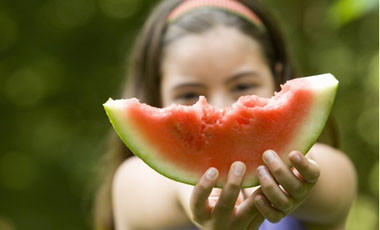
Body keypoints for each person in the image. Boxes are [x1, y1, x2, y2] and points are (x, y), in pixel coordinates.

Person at [94, 0, 357, 229]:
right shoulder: (132, 183)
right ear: (156, 95)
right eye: (188, 94)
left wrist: (291, 173)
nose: (220, 109)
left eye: (243, 86)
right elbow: (155, 189)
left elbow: (330, 180)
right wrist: (193, 194)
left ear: (278, 78)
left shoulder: (332, 171)